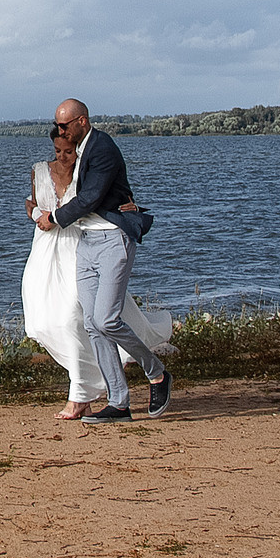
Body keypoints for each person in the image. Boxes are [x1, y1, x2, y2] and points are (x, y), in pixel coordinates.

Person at [35, 98, 173, 423]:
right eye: (57, 124)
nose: (60, 129)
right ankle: (119, 403)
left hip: (113, 239)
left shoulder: (102, 148)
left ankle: (157, 373)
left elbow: (91, 197)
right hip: (86, 242)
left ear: (82, 121)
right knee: (92, 324)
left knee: (107, 319)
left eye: (65, 124)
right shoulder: (76, 151)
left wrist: (54, 218)